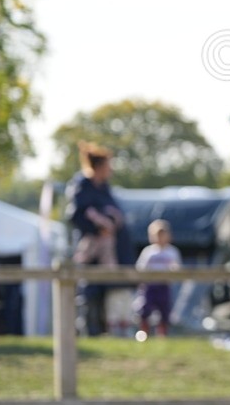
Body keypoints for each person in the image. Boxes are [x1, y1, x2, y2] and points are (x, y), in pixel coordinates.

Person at [65, 142, 127, 336]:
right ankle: (88, 330)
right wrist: (97, 228)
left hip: (107, 248)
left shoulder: (104, 188)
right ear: (99, 167)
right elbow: (76, 215)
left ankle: (102, 330)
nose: (111, 169)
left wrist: (111, 225)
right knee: (88, 289)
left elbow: (116, 213)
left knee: (105, 287)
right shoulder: (82, 184)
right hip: (89, 249)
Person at [134, 219, 181, 340]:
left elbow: (177, 268)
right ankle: (144, 332)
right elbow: (141, 267)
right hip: (150, 285)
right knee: (145, 308)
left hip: (164, 285)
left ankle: (162, 334)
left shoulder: (172, 251)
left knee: (164, 310)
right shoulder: (148, 251)